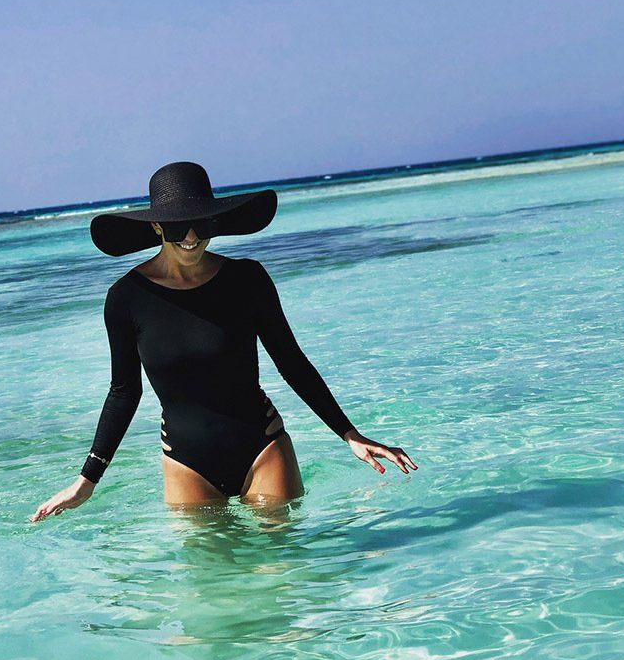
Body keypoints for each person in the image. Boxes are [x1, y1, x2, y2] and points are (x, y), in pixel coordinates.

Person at [30, 161, 416, 521]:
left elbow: (290, 361)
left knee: (284, 574)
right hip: (186, 463)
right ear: (157, 228)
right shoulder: (126, 299)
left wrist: (349, 434)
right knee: (212, 585)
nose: (193, 237)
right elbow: (123, 392)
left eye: (202, 224)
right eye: (180, 227)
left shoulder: (247, 279)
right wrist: (87, 480)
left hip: (262, 448)